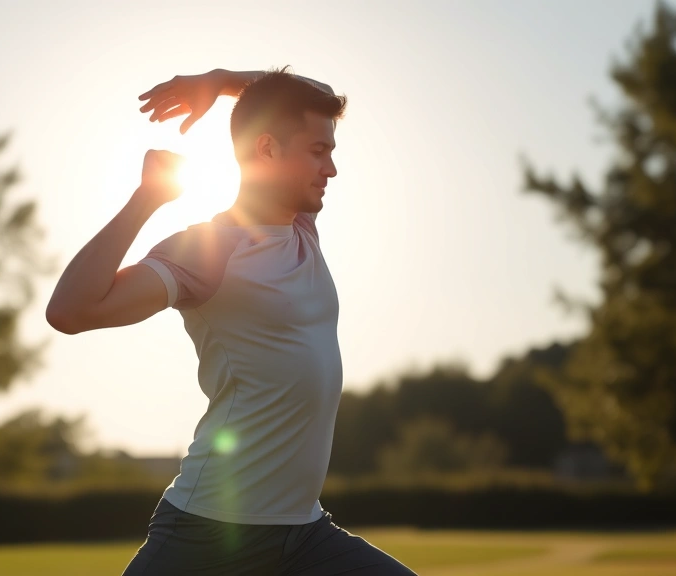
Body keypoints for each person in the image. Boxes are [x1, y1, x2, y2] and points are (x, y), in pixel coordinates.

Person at [46, 67, 417, 576]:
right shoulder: (208, 251)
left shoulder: (299, 228)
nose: (331, 168)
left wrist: (219, 81)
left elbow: (319, 94)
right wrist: (147, 199)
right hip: (208, 533)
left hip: (305, 534)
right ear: (266, 150)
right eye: (317, 152)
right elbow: (70, 311)